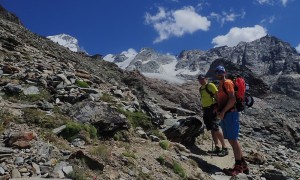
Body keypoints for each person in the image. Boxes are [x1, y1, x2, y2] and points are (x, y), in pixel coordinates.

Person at [214, 66, 249, 176]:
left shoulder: (227, 82)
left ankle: (238, 168)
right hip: (226, 114)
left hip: (231, 113)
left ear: (225, 72)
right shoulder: (220, 85)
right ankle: (243, 165)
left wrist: (223, 111)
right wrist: (218, 109)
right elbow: (222, 99)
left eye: (221, 71)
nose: (219, 73)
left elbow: (232, 99)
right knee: (231, 139)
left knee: (233, 140)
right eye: (217, 71)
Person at [197, 74, 228, 157]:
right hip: (206, 109)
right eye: (199, 79)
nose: (201, 81)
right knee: (212, 128)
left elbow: (217, 96)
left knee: (216, 127)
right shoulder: (201, 89)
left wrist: (218, 107)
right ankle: (217, 147)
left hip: (212, 109)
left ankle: (224, 148)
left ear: (206, 79)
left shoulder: (210, 85)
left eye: (202, 79)